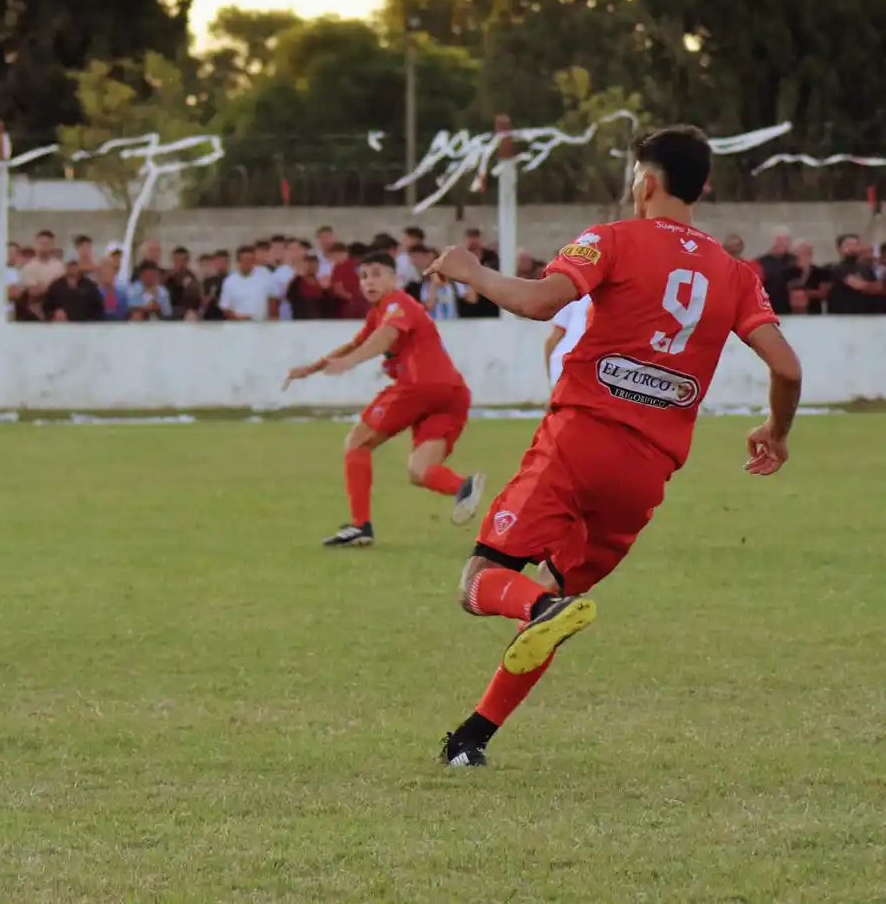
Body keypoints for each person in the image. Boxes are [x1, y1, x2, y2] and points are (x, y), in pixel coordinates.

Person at [426, 125, 802, 767]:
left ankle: (546, 606)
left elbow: (543, 302)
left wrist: (471, 270)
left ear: (645, 182)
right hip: (646, 474)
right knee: (550, 603)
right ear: (702, 186)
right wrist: (776, 431)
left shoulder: (611, 238)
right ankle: (473, 739)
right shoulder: (735, 273)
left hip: (577, 443)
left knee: (482, 584)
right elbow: (788, 369)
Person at [283, 252, 487, 548]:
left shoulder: (397, 303)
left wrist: (351, 362)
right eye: (363, 276)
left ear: (395, 278)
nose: (369, 282)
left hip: (420, 386)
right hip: (452, 394)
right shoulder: (380, 312)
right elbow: (356, 342)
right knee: (420, 471)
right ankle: (464, 486)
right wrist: (311, 369)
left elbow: (387, 336)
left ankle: (360, 526)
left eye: (376, 274)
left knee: (357, 442)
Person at [544, 295, 591, 389]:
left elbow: (554, 338)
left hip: (567, 368)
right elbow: (554, 338)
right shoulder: (573, 293)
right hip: (568, 367)